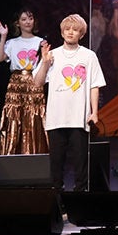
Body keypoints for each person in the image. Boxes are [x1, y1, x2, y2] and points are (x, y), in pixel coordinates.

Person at [37, 15, 101, 192]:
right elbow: (38, 82)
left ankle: (79, 200)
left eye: (75, 29)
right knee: (56, 165)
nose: (70, 32)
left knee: (80, 165)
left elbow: (94, 85)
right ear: (62, 32)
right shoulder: (52, 55)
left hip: (79, 119)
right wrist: (45, 63)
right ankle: (57, 199)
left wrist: (94, 112)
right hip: (56, 118)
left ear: (82, 34)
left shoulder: (89, 56)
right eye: (67, 29)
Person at [0, 11, 49, 158]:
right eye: (24, 19)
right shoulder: (12, 43)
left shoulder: (40, 42)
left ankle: (35, 154)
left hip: (34, 82)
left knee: (34, 116)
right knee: (14, 117)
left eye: (30, 18)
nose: (28, 22)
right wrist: (3, 36)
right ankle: (12, 156)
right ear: (17, 23)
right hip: (16, 84)